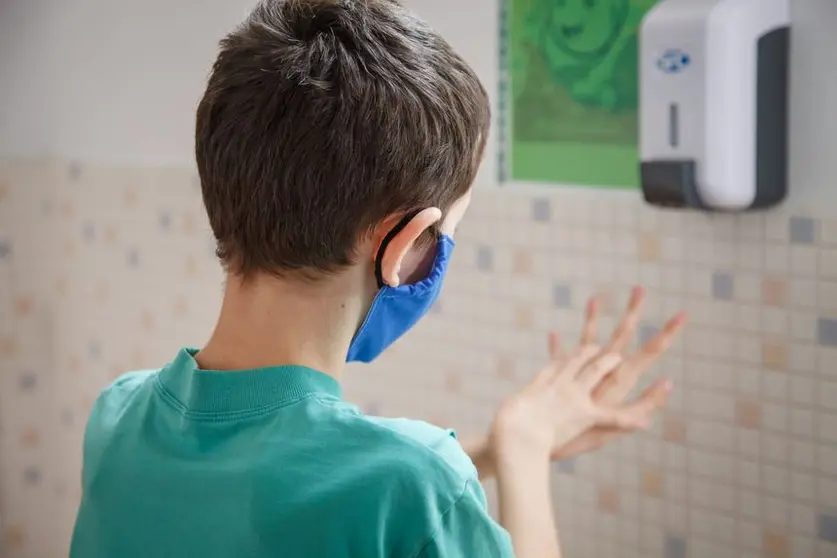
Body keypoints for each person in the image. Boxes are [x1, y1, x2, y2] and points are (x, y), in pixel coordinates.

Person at [69, 1, 686, 557]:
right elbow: (383, 496)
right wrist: (523, 446)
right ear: (402, 245)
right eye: (447, 233)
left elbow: (300, 498)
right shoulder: (418, 483)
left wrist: (486, 452)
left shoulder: (117, 417)